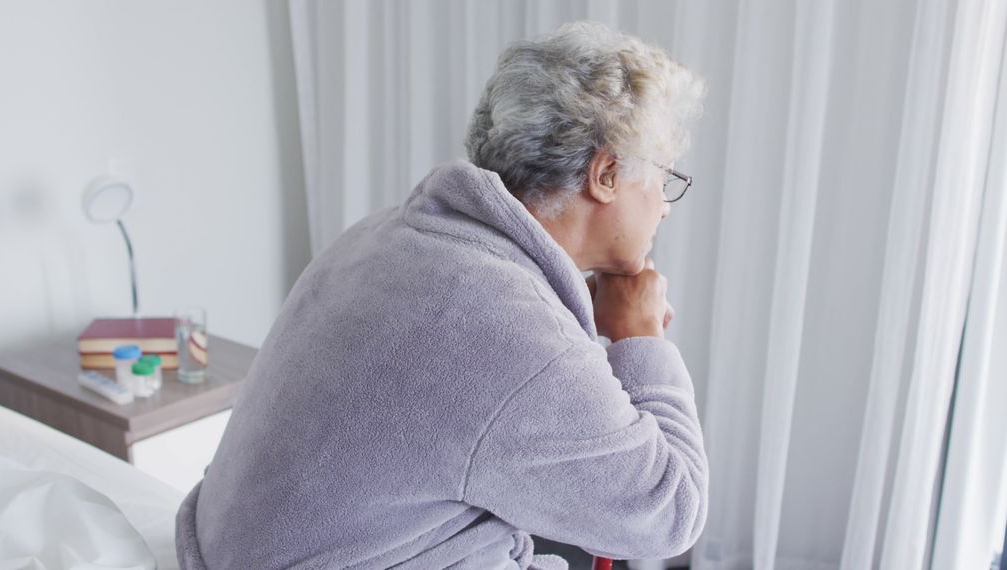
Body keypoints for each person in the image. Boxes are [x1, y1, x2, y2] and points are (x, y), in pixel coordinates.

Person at [176, 20, 708, 570]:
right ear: (606, 175)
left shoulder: (382, 237)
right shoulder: (517, 334)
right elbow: (671, 518)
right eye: (664, 177)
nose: (665, 206)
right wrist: (640, 336)